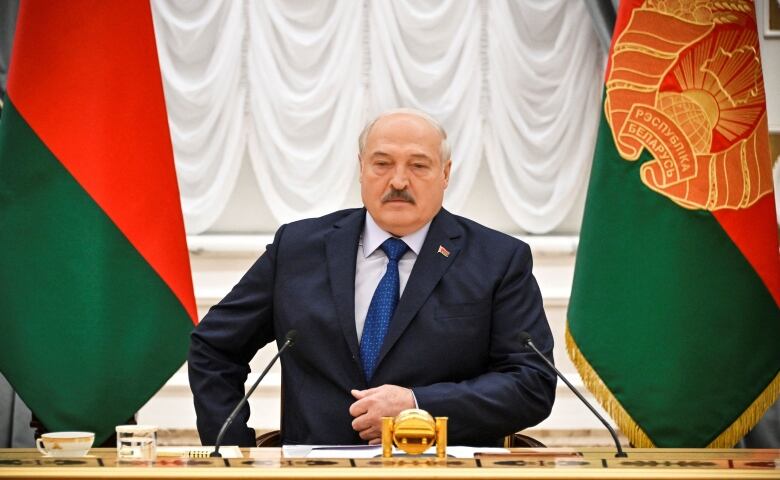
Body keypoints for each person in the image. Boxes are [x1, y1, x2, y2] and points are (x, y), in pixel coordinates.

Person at [188, 108, 556, 447]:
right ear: (361, 167)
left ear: (445, 174)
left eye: (418, 166)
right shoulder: (297, 249)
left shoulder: (497, 259)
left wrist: (417, 406)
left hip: (441, 472)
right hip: (315, 475)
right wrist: (233, 453)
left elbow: (531, 383)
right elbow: (215, 347)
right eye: (382, 164)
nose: (398, 180)